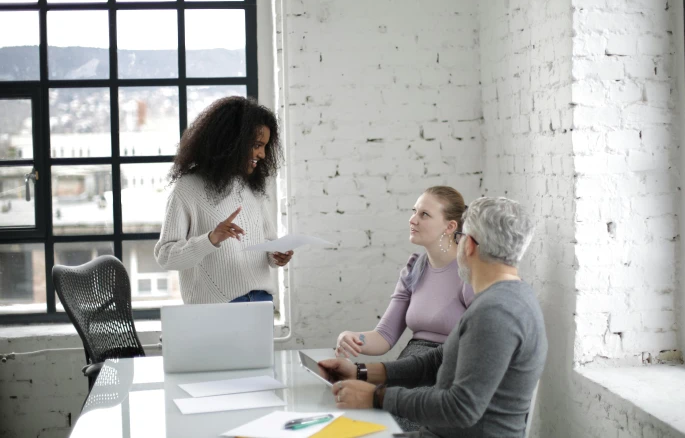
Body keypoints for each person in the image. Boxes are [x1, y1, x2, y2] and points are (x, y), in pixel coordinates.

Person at [319, 197, 548, 438]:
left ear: (468, 245)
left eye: (458, 238)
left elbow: (460, 408)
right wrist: (360, 372)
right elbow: (436, 361)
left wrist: (375, 396)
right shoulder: (507, 297)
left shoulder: (496, 312)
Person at [154, 96, 293, 305]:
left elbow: (266, 243)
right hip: (217, 306)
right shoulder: (187, 188)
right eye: (257, 145)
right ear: (231, 141)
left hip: (260, 300)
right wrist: (210, 239)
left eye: (265, 146)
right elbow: (166, 256)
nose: (263, 154)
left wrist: (276, 255)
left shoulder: (251, 187)